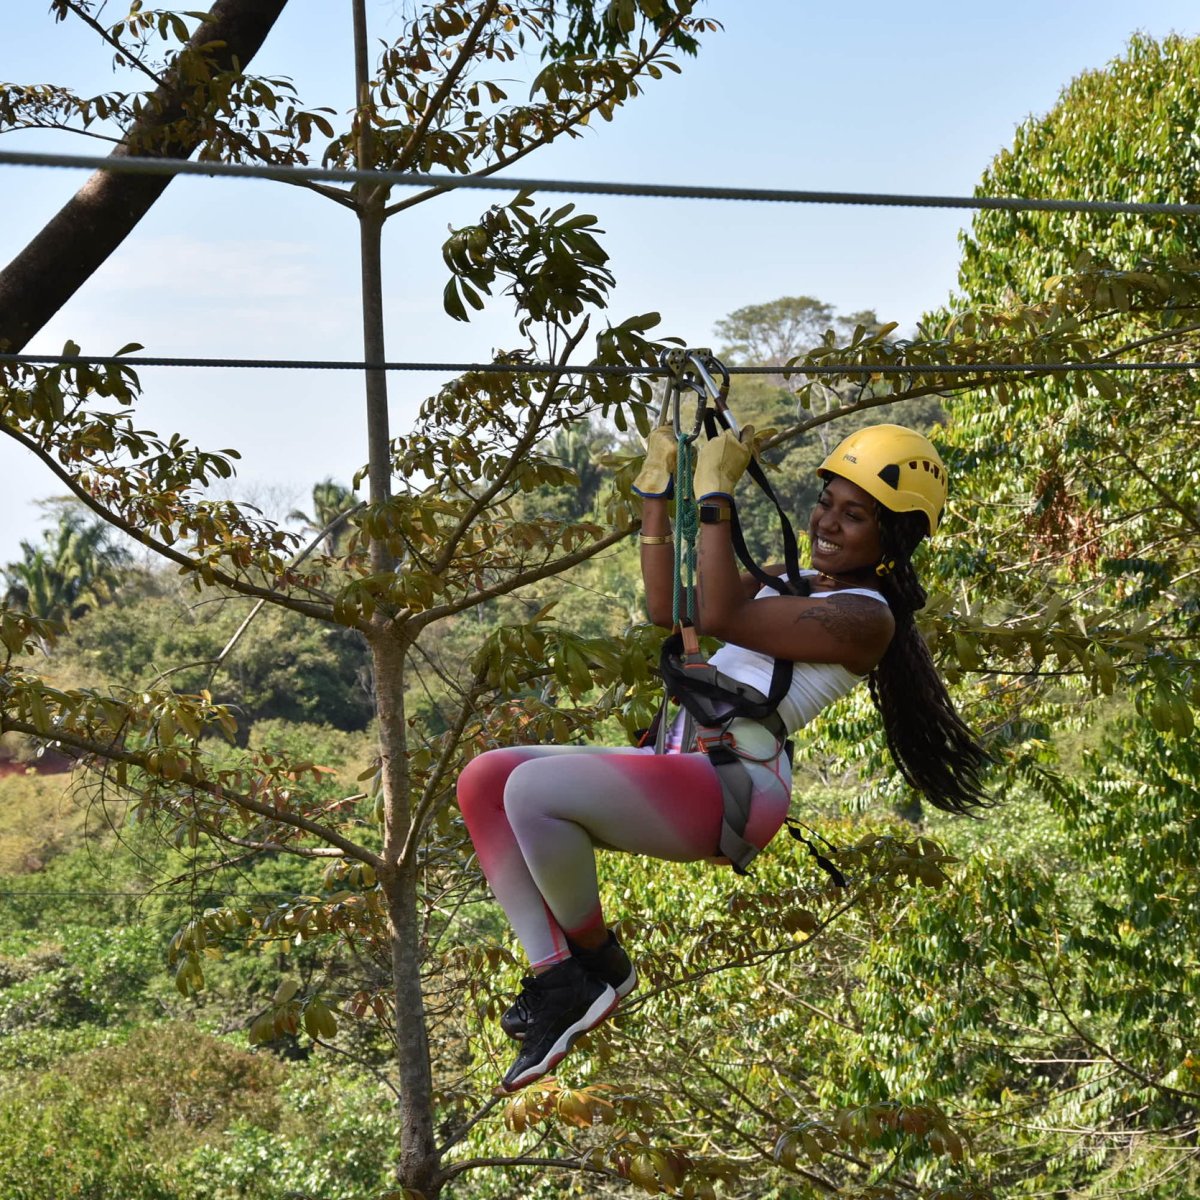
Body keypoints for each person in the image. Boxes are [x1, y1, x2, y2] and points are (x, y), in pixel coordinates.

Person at [456, 421, 989, 1093]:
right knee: (486, 780)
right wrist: (658, 490)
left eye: (855, 516)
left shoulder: (865, 618)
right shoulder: (783, 578)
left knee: (532, 792)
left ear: (893, 539)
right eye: (827, 502)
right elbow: (667, 608)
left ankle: (598, 964)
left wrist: (716, 493)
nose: (827, 521)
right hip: (686, 757)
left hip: (733, 783)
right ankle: (557, 977)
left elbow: (727, 622)